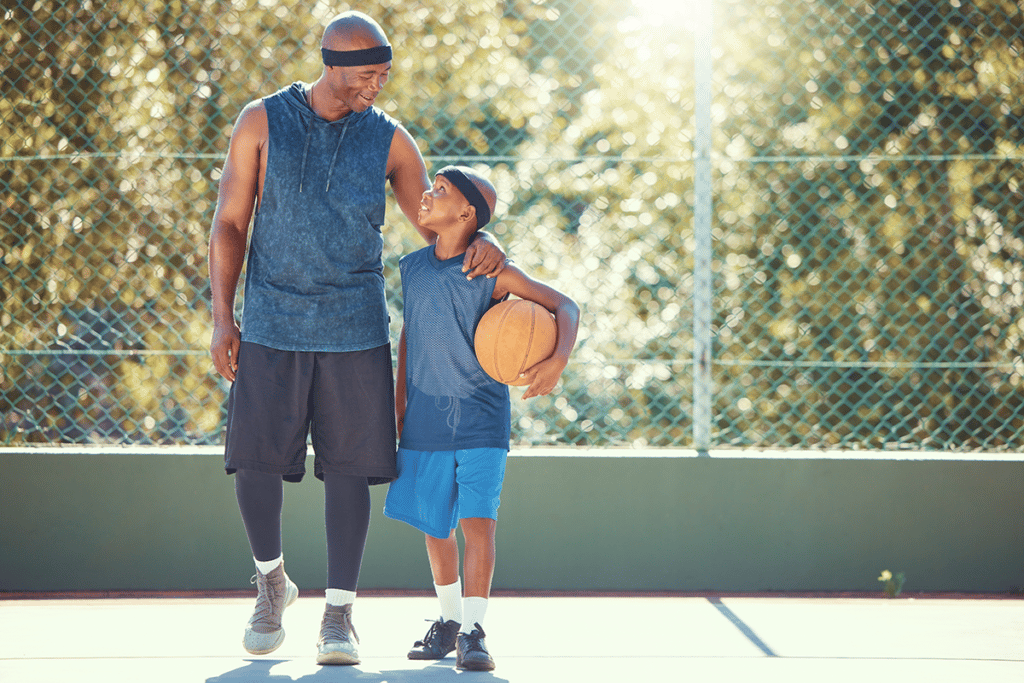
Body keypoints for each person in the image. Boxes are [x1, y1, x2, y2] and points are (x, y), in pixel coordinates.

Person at [207, 12, 506, 666]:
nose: (377, 84)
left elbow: (437, 223)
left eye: (384, 73)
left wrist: (483, 236)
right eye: (367, 74)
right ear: (333, 63)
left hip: (355, 325)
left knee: (349, 470)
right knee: (254, 462)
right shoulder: (262, 121)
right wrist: (223, 316)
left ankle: (339, 612)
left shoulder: (391, 142)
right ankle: (270, 581)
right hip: (273, 321)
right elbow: (230, 221)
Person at [383, 166, 580, 671]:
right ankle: (447, 621)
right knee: (434, 526)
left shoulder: (493, 272)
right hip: (424, 421)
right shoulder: (413, 267)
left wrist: (557, 359)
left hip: (482, 421)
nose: (427, 194)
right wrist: (398, 409)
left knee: (478, 524)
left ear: (466, 214)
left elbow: (565, 305)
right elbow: (409, 340)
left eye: (441, 191)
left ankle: (474, 630)